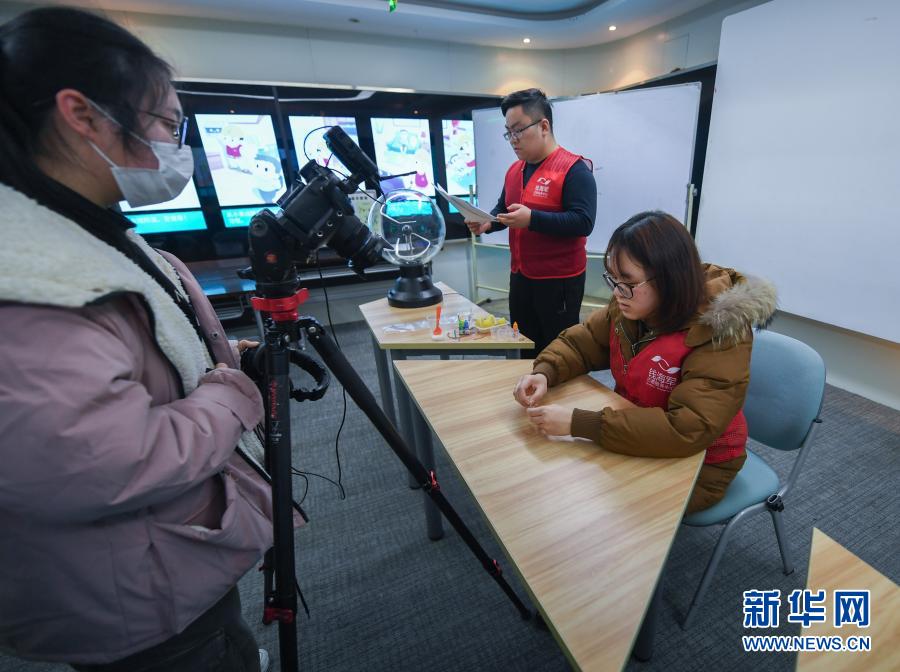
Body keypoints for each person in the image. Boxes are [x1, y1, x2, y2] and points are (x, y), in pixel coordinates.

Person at [0, 8, 276, 671]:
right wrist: (231, 393)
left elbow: (129, 355)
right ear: (82, 114)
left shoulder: (85, 226)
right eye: (167, 123)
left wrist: (215, 360)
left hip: (162, 559)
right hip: (136, 598)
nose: (177, 146)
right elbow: (101, 463)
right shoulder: (29, 278)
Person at [513, 212, 777, 513]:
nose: (617, 292)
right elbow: (583, 342)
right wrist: (546, 372)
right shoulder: (633, 304)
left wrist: (579, 423)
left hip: (702, 463)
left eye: (627, 281)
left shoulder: (720, 334)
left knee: (596, 505)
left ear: (669, 279)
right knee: (567, 483)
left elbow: (687, 429)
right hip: (640, 429)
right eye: (614, 279)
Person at [466, 88, 597, 357]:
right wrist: (488, 223)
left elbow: (583, 222)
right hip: (521, 276)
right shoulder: (515, 170)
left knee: (557, 351)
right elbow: (504, 208)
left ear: (544, 126)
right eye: (508, 133)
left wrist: (532, 219)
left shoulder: (574, 169)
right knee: (524, 342)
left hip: (559, 281)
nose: (512, 140)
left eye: (518, 130)